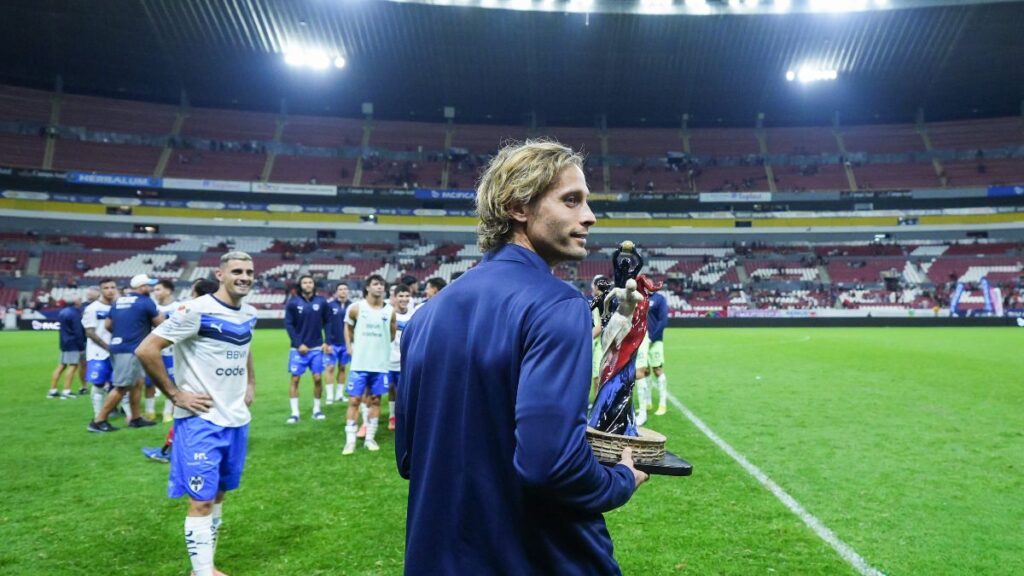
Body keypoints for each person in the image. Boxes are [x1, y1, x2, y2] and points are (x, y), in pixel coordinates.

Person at [396, 140, 646, 575]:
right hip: (538, 557)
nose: (590, 216)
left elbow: (410, 459)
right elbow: (551, 465)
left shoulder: (424, 317)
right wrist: (621, 478)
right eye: (571, 200)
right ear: (517, 207)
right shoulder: (556, 305)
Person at [136, 252, 258, 576]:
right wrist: (176, 394)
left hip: (236, 419)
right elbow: (146, 350)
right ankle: (203, 572)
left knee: (217, 496)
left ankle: (205, 567)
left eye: (249, 272)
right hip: (200, 421)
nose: (244, 277)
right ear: (220, 274)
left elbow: (245, 347)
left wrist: (251, 383)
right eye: (237, 271)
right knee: (201, 500)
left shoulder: (249, 312)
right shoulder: (194, 310)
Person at [143, 278, 220, 464]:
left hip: (196, 375)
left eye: (193, 293)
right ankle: (169, 449)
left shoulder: (193, 314)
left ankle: (171, 451)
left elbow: (146, 349)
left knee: (189, 411)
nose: (190, 297)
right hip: (215, 376)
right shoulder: (221, 316)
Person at [88, 274, 162, 432]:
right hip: (132, 348)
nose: (150, 288)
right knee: (122, 386)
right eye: (149, 285)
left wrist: (123, 332)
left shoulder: (118, 301)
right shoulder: (145, 301)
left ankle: (135, 418)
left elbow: (108, 325)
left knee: (137, 383)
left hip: (118, 347)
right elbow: (160, 324)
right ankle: (98, 421)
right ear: (142, 287)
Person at [343, 274, 395, 454]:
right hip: (359, 364)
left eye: (382, 284)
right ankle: (350, 441)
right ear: (367, 287)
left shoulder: (390, 311)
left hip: (380, 365)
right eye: (375, 284)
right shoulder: (356, 308)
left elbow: (392, 334)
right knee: (354, 400)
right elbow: (348, 327)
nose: (379, 287)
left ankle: (370, 439)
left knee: (375, 400)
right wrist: (349, 346)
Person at [284, 275, 330, 424]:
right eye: (304, 282)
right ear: (300, 285)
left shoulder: (321, 302)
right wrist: (298, 344)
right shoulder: (293, 303)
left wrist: (327, 341)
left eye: (310, 282)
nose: (308, 284)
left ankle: (317, 410)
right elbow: (289, 325)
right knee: (295, 379)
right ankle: (294, 413)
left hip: (316, 348)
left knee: (317, 378)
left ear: (314, 285)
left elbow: (328, 322)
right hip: (298, 349)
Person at [82, 279, 118, 418]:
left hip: (117, 351)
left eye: (112, 287)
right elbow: (90, 332)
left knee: (119, 382)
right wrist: (107, 347)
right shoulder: (92, 308)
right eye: (106, 288)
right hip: (98, 352)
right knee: (99, 383)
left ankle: (118, 410)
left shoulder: (118, 306)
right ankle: (98, 416)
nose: (110, 290)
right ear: (100, 290)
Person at [150, 279, 179, 421]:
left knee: (171, 382)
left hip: (173, 351)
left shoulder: (179, 307)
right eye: (154, 290)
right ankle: (149, 411)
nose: (155, 292)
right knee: (150, 382)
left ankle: (167, 412)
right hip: (153, 351)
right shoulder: (152, 307)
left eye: (158, 289)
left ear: (168, 291)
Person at [386, 284, 413, 431]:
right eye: (401, 296)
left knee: (404, 391)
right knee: (391, 388)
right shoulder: (388, 313)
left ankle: (403, 416)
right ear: (395, 297)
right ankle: (392, 416)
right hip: (389, 359)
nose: (404, 299)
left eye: (407, 296)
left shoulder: (413, 315)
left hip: (406, 360)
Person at [48, 297, 85, 399]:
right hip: (73, 343)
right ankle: (66, 391)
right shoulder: (75, 314)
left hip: (64, 342)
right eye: (79, 300)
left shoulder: (62, 312)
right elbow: (78, 331)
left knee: (61, 365)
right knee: (73, 365)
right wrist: (81, 345)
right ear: (76, 302)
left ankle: (52, 390)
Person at [324, 282, 352, 405]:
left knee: (342, 367)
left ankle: (339, 394)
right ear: (336, 292)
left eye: (345, 289)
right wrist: (327, 342)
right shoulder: (329, 306)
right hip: (332, 343)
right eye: (340, 289)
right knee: (330, 368)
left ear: (348, 291)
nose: (343, 291)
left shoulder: (352, 306)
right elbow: (326, 324)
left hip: (346, 343)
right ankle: (330, 396)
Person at [647, 288, 669, 416]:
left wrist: (652, 337)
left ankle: (662, 404)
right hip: (642, 342)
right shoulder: (640, 297)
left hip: (655, 341)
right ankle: (648, 403)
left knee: (657, 370)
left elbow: (663, 320)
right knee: (644, 371)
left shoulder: (659, 299)